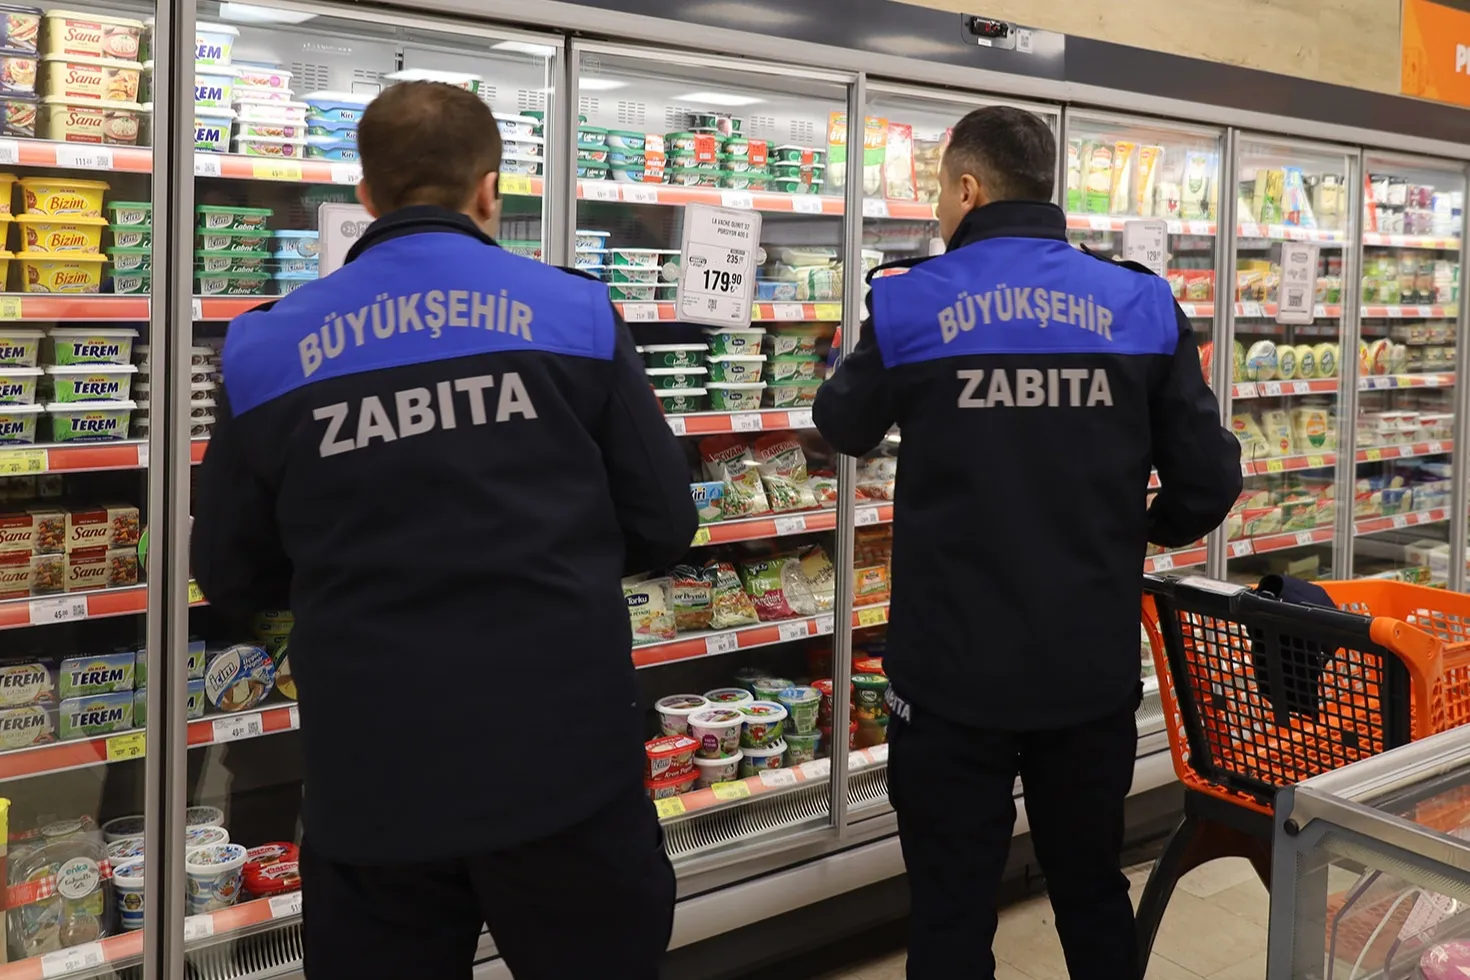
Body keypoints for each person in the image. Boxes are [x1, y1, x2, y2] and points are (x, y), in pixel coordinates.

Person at [192, 81, 695, 980]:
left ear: (366, 194)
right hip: (565, 763)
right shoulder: (575, 313)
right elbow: (664, 522)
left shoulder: (265, 347)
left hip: (372, 778)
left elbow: (230, 572)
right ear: (489, 189)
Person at [813, 106, 1241, 979]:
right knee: (1090, 887)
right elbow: (1210, 479)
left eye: (941, 191)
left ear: (969, 189)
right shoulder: (1141, 302)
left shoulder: (912, 299)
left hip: (948, 672)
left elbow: (841, 424)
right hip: (1086, 666)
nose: (939, 208)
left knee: (949, 907)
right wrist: (1136, 533)